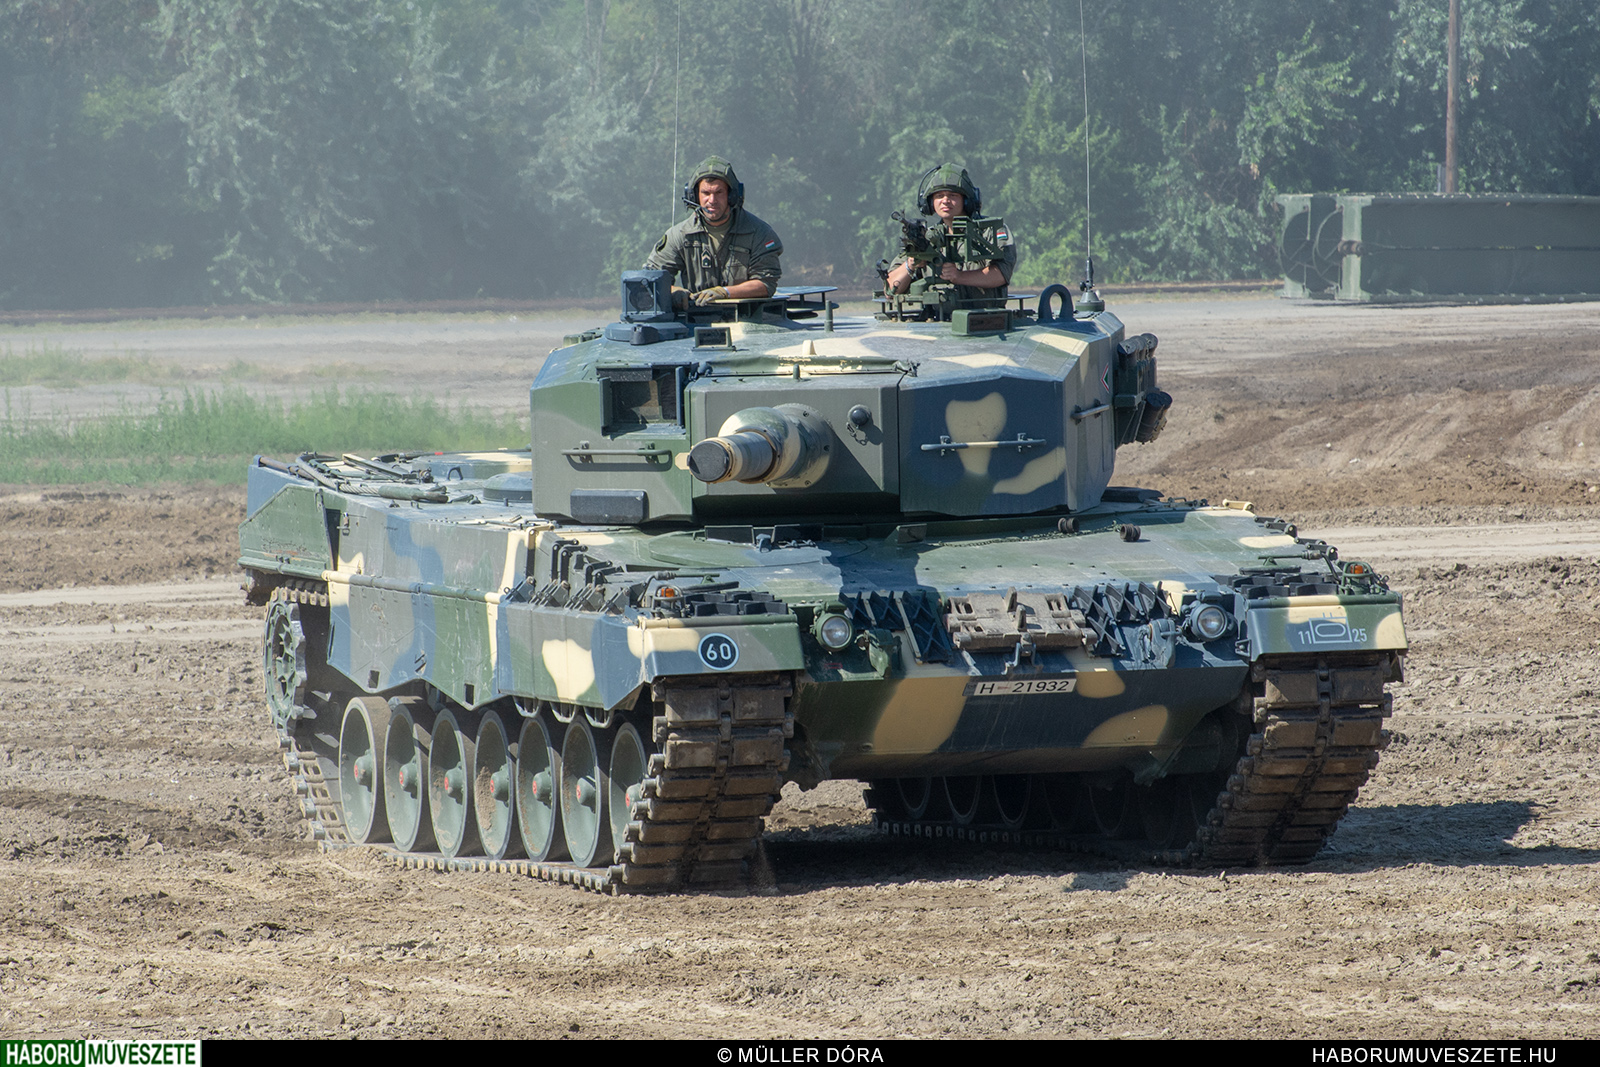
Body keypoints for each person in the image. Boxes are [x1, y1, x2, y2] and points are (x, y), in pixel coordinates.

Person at [645, 156, 783, 306]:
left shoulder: (759, 233)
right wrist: (675, 292)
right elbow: (650, 278)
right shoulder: (680, 235)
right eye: (706, 193)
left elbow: (766, 283)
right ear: (694, 196)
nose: (712, 200)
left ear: (731, 195)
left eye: (719, 192)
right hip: (696, 315)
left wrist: (725, 292)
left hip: (747, 316)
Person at [886, 163, 1016, 305]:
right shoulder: (927, 237)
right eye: (939, 196)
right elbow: (890, 289)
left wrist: (959, 276)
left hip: (983, 316)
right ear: (930, 203)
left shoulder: (990, 230)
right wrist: (911, 264)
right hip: (937, 317)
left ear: (966, 200)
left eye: (952, 195)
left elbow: (1001, 274)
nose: (945, 201)